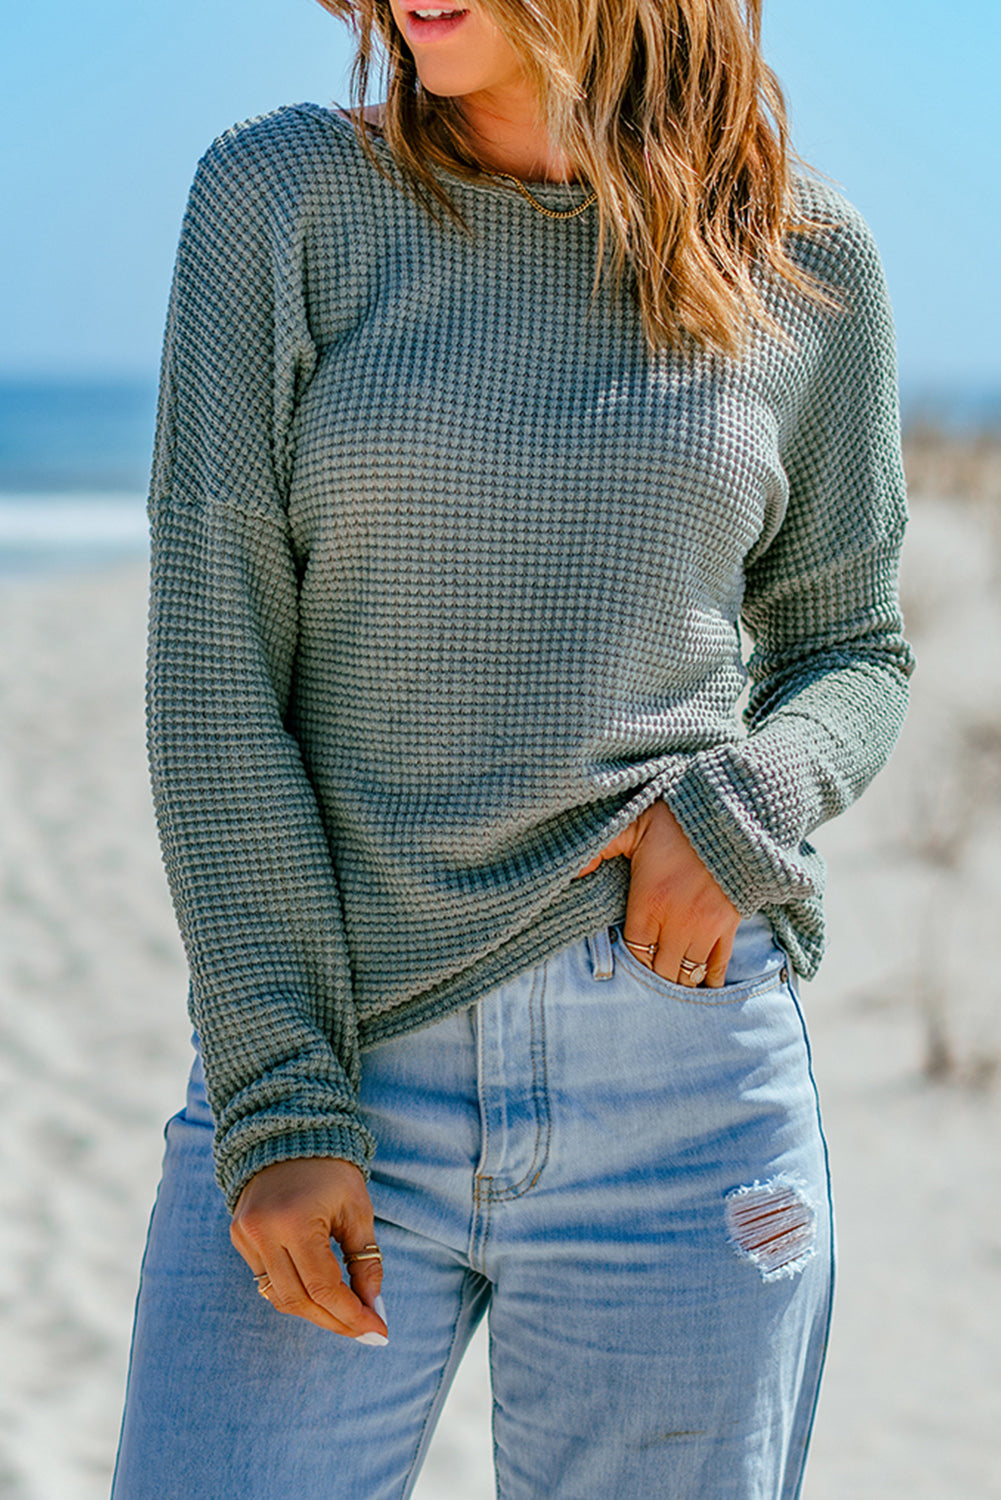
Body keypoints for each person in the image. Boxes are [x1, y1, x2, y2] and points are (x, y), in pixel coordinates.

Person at [112, 1, 914, 1495]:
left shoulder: (802, 258)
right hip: (339, 1060)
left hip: (683, 1087)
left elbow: (850, 648)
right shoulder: (279, 199)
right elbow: (213, 672)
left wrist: (743, 808)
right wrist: (282, 1093)